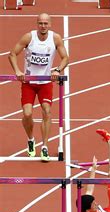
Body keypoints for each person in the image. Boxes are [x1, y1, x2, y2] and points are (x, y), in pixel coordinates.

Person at [8, 13, 69, 161]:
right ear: (37, 24)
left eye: (45, 23)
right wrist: (17, 71)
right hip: (29, 82)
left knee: (47, 111)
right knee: (27, 114)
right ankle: (31, 140)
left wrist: (57, 70)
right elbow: (12, 54)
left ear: (50, 24)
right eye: (40, 23)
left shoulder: (55, 38)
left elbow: (65, 58)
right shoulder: (29, 37)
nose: (43, 26)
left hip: (45, 82)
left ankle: (45, 147)